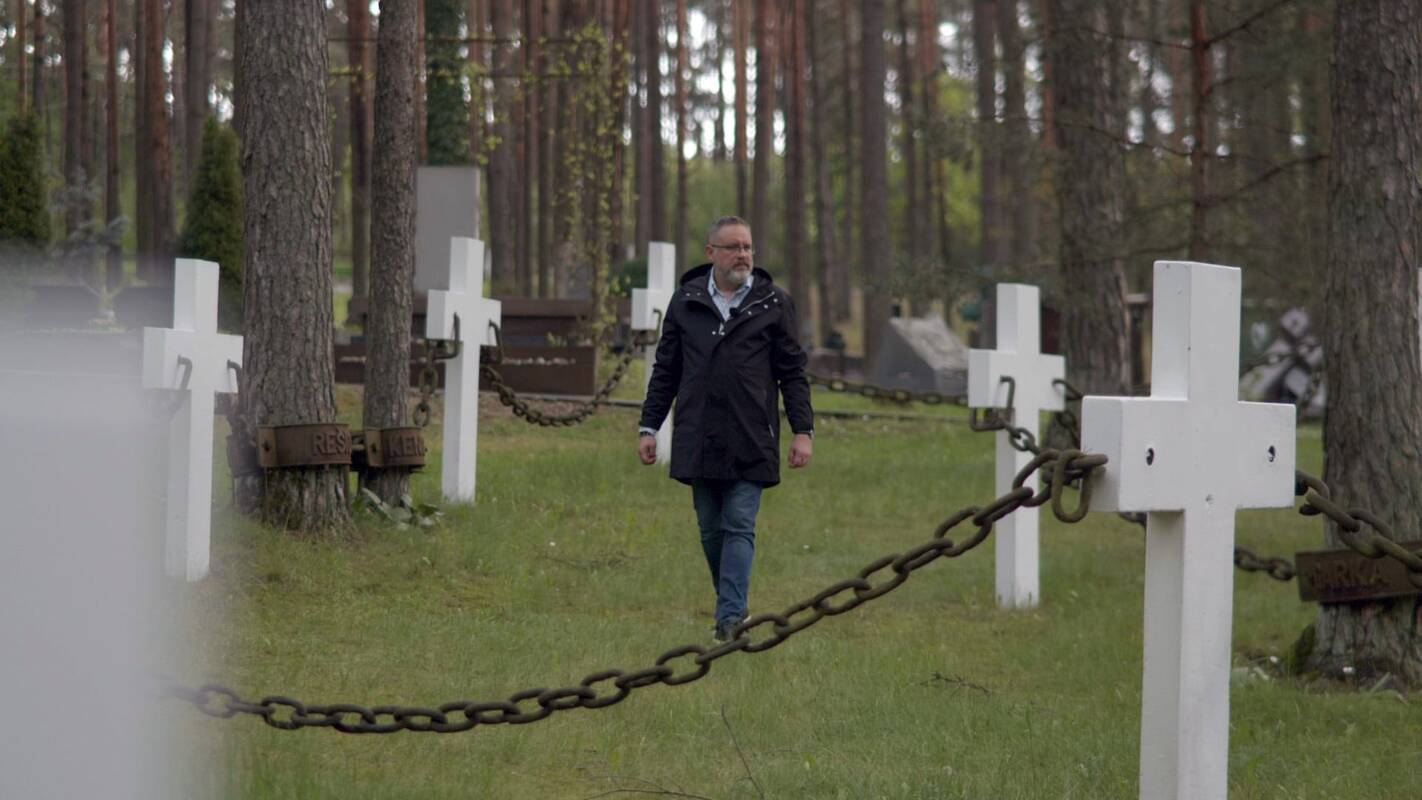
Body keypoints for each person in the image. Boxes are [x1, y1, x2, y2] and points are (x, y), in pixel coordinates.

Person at [638, 216, 815, 643]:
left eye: (748, 247)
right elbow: (667, 369)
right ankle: (733, 605)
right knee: (710, 528)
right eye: (733, 247)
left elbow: (792, 372)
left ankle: (729, 619)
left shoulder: (774, 303)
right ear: (711, 253)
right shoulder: (686, 301)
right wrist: (650, 426)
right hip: (698, 432)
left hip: (753, 434)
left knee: (739, 523)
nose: (743, 255)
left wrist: (803, 431)